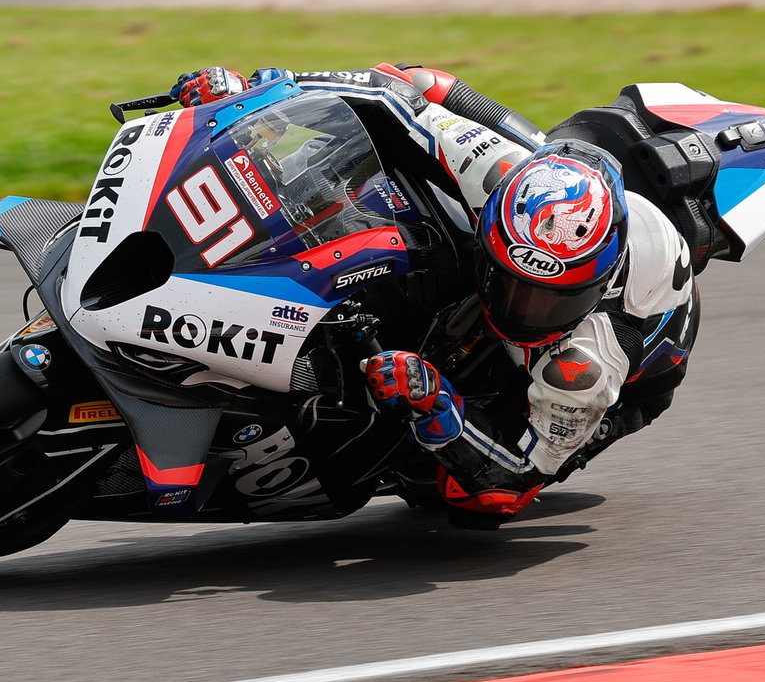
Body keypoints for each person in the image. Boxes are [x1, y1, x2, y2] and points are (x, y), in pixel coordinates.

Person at [171, 65, 699, 528]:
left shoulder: (584, 367)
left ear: (591, 285)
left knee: (453, 496)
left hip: (624, 386)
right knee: (416, 105)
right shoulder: (497, 173)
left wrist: (438, 403)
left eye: (546, 301)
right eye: (512, 285)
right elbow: (391, 89)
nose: (522, 310)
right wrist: (260, 93)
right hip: (538, 191)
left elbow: (512, 481)